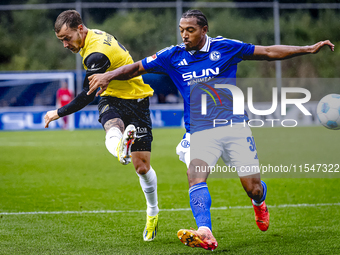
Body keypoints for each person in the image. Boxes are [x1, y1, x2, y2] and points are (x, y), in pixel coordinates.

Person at [86, 9, 334, 251]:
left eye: (190, 30)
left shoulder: (226, 47)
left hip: (234, 127)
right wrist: (108, 76)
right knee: (195, 175)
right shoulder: (172, 56)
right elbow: (136, 67)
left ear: (204, 30)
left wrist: (307, 49)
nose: (184, 35)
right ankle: (205, 231)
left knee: (252, 187)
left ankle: (259, 201)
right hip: (199, 130)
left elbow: (268, 51)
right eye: (182, 30)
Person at [44, 10, 159, 241]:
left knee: (142, 168)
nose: (65, 44)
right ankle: (119, 147)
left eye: (67, 38)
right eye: (61, 40)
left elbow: (87, 95)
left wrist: (59, 112)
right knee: (112, 125)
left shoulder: (96, 53)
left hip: (137, 99)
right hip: (112, 96)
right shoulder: (89, 38)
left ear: (80, 29)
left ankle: (153, 212)